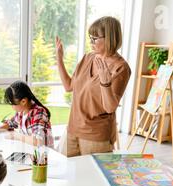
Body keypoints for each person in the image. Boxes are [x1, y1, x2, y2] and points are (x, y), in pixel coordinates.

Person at [56, 16, 131, 157]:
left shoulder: (121, 68)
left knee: (91, 177)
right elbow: (68, 86)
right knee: (64, 173)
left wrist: (105, 82)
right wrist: (59, 59)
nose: (90, 42)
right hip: (72, 128)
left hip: (96, 135)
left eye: (95, 38)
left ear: (109, 38)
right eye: (90, 37)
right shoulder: (88, 58)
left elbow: (110, 107)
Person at [0, 81, 54, 148]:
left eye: (12, 104)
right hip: (30, 150)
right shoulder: (21, 112)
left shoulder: (38, 113)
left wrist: (16, 136)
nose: (12, 107)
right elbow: (11, 124)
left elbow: (38, 141)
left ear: (23, 101)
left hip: (44, 154)